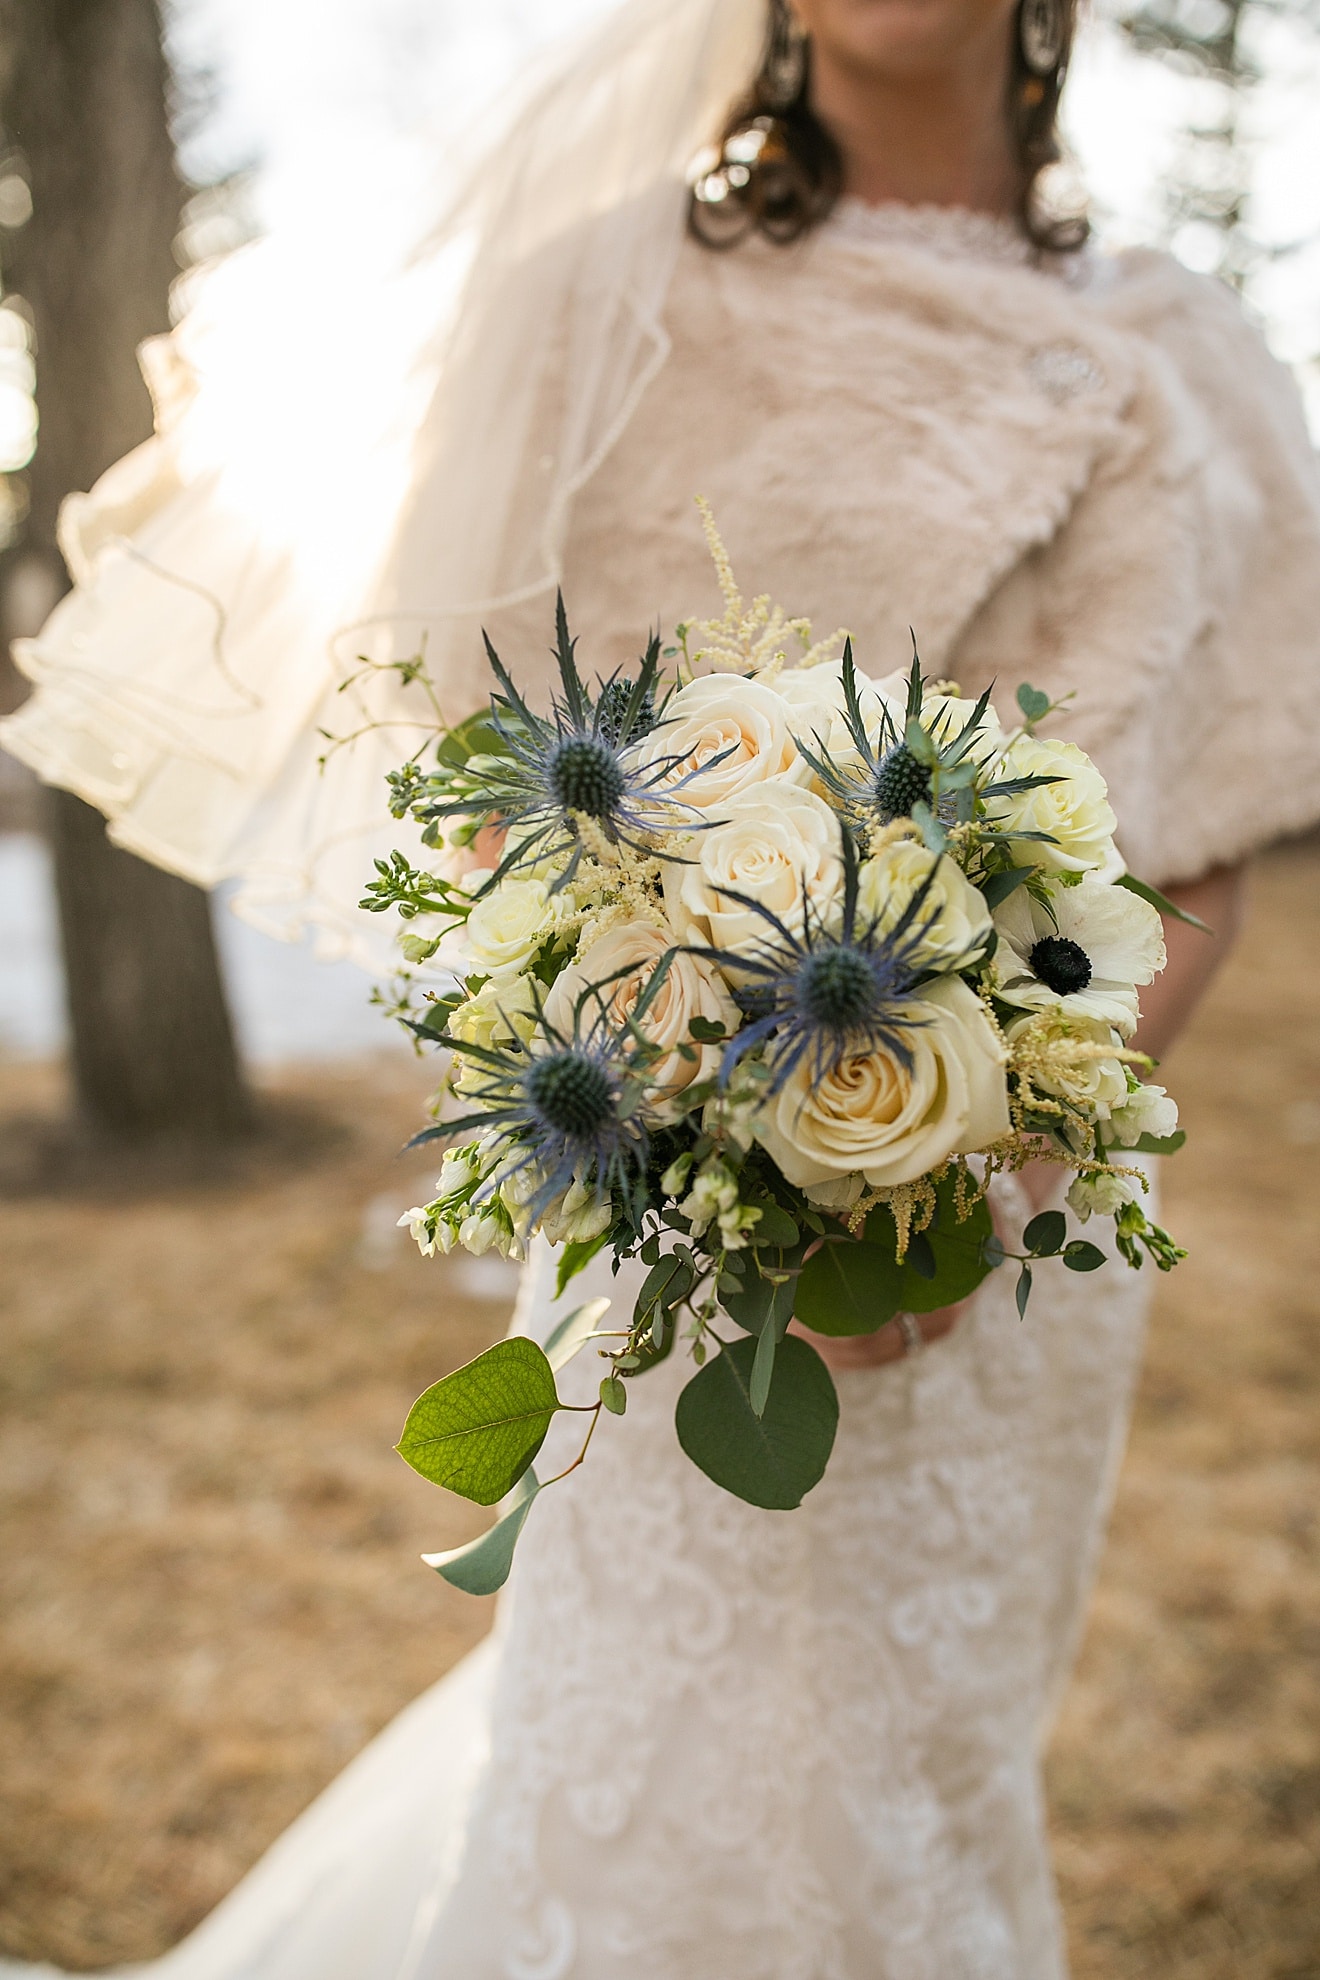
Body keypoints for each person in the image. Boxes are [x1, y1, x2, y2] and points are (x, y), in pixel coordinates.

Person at [4, 0, 1319, 1974]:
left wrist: (999, 1164)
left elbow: (1208, 825)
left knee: (924, 1796)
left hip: (1023, 1276)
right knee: (697, 1818)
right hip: (693, 1242)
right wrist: (721, 1131)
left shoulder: (1194, 350)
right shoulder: (605, 298)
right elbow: (482, 780)